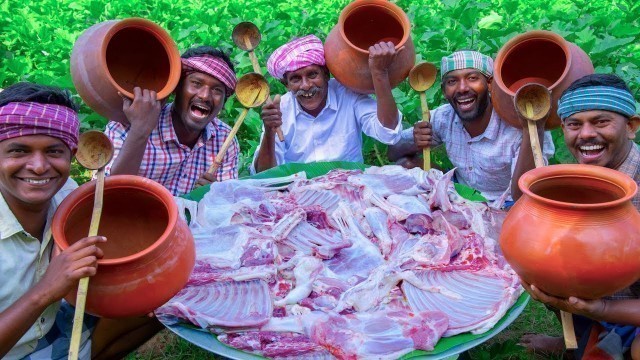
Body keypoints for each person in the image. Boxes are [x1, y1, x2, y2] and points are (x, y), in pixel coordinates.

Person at [0, 82, 162, 360]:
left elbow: (107, 206)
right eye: (19, 151)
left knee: (157, 298)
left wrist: (140, 130)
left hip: (47, 326)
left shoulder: (64, 193)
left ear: (72, 156)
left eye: (54, 151)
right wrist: (45, 291)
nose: (39, 166)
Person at [512, 74, 640, 359]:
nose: (585, 135)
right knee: (548, 256)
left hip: (627, 307)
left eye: (600, 121)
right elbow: (523, 201)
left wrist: (603, 309)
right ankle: (579, 337)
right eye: (574, 124)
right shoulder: (578, 175)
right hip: (594, 299)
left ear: (631, 127)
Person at [387, 50, 554, 202]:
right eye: (452, 81)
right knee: (405, 165)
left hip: (508, 202)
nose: (462, 88)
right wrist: (414, 142)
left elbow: (527, 193)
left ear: (490, 84)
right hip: (460, 191)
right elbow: (392, 152)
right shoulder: (443, 117)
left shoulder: (519, 124)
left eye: (472, 78)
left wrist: (533, 129)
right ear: (444, 91)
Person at [251, 35, 403, 174]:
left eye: (312, 74)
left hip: (351, 188)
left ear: (326, 75)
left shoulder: (349, 94)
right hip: (299, 194)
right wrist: (270, 132)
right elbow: (264, 175)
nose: (306, 85)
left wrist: (379, 73)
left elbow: (388, 133)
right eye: (296, 79)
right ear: (287, 85)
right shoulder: (280, 110)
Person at [105, 46, 239, 196]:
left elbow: (226, 206)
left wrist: (214, 196)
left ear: (223, 102)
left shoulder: (225, 139)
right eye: (196, 83)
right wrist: (139, 130)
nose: (205, 96)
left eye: (217, 90)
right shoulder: (125, 125)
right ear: (177, 88)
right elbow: (108, 194)